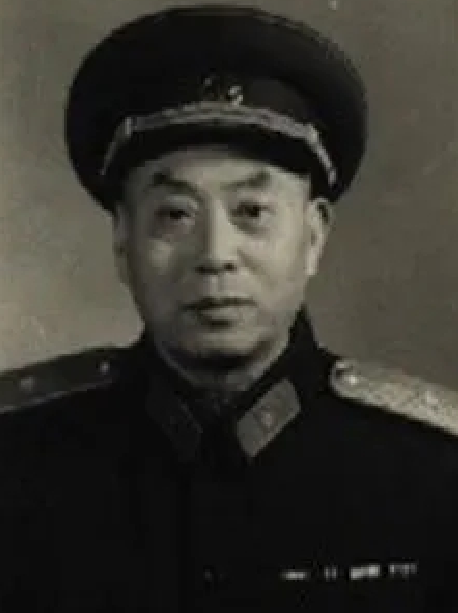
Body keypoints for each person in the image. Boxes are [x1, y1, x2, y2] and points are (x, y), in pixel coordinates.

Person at [1, 5, 458, 612]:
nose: (215, 255)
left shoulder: (434, 474)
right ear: (122, 242)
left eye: (252, 212)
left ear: (314, 236)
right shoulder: (17, 462)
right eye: (175, 214)